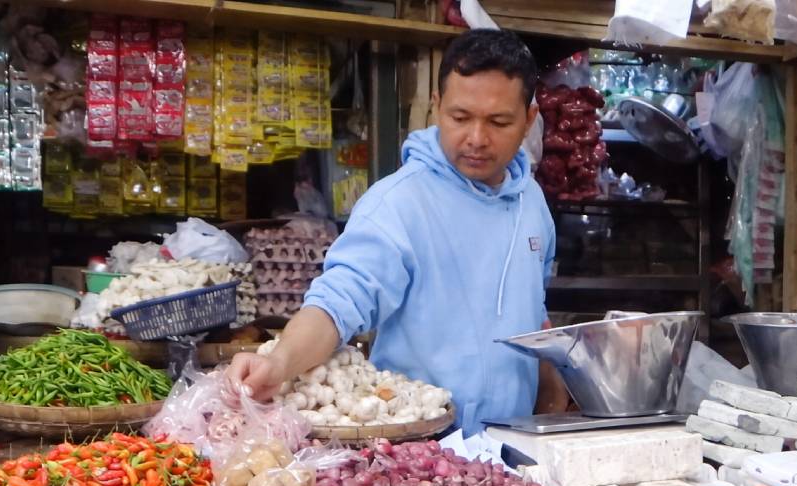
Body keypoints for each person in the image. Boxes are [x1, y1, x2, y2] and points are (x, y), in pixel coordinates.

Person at [228, 29, 567, 434]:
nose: (477, 138)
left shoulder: (532, 202)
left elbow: (533, 310)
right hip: (422, 450)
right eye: (460, 118)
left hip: (514, 440)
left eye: (499, 122)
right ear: (436, 107)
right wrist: (279, 362)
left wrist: (552, 391)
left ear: (528, 120)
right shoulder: (397, 204)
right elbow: (336, 304)